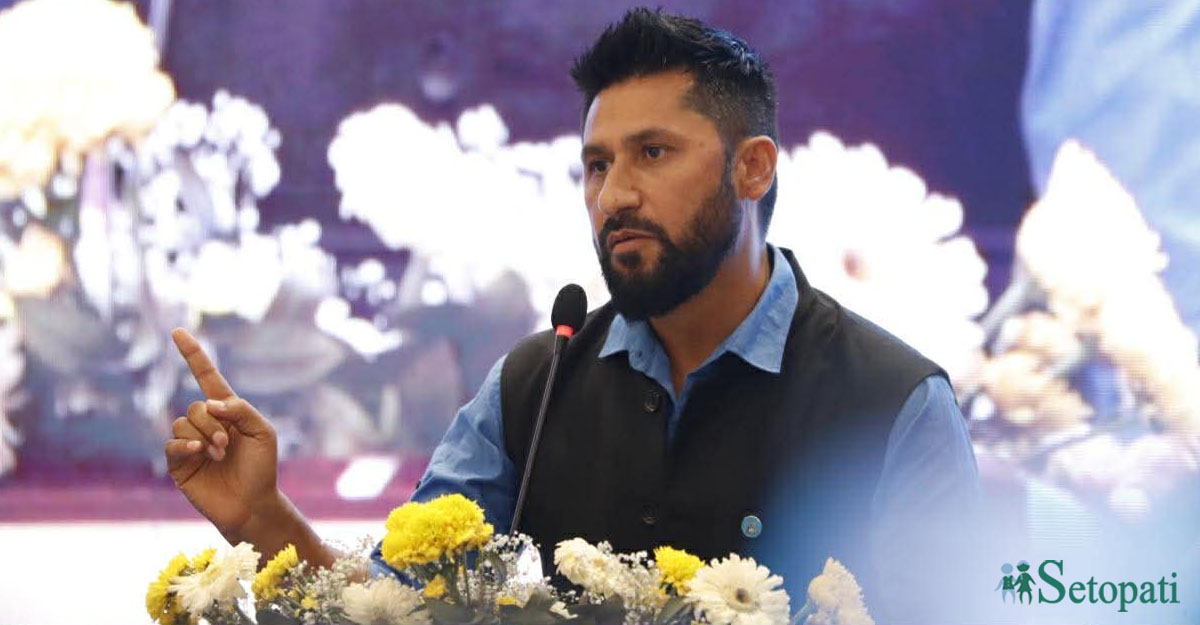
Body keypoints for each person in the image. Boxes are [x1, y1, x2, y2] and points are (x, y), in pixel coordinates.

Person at [164, 8, 979, 621]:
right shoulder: (537, 382)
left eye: (652, 153)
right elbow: (388, 606)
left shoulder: (894, 402)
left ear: (753, 168)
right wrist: (261, 514)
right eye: (596, 164)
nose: (614, 194)